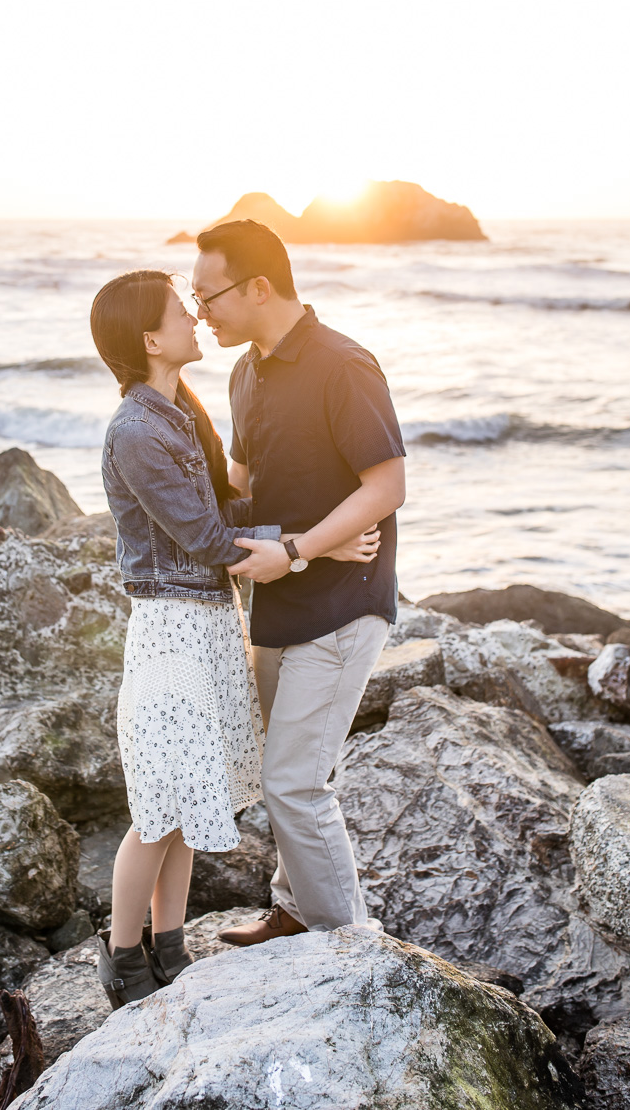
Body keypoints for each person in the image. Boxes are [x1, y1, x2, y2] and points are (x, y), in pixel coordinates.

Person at [89, 269, 379, 1007]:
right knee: (157, 807)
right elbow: (208, 535)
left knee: (188, 797)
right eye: (179, 310)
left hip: (209, 621)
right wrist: (311, 544)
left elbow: (223, 504)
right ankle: (122, 960)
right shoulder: (135, 429)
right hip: (172, 629)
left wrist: (317, 526)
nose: (194, 315)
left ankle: (170, 946)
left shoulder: (179, 409)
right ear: (150, 340)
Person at [190, 219, 406, 945]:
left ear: (258, 287)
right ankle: (291, 909)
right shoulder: (243, 372)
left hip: (344, 609)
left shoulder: (343, 365)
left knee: (293, 781)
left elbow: (388, 483)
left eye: (207, 295)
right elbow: (245, 491)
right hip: (278, 604)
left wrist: (308, 547)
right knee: (288, 773)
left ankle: (352, 955)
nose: (200, 313)